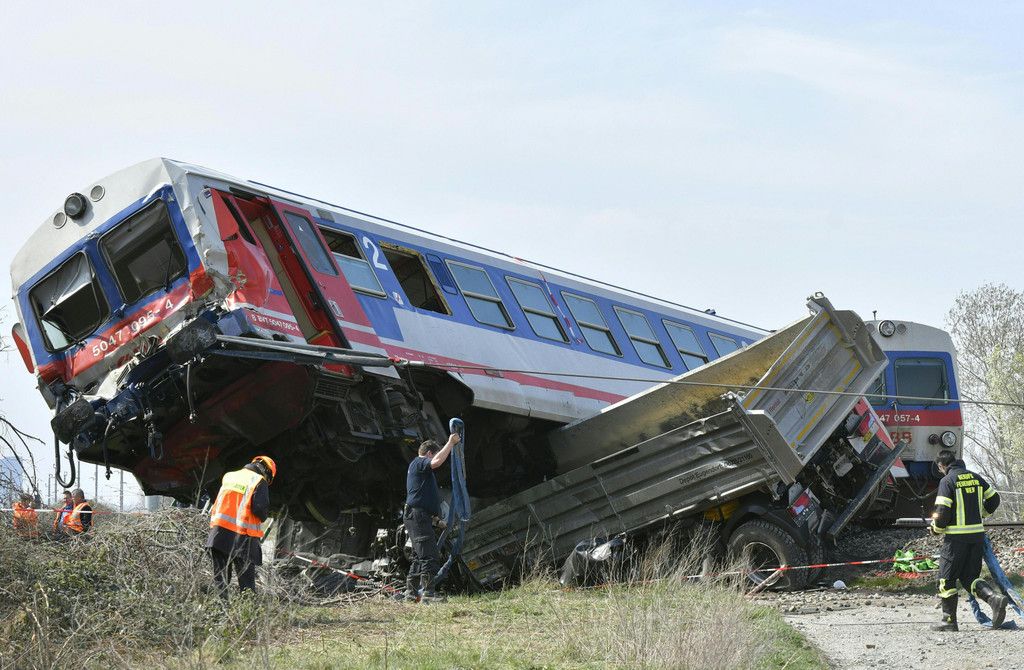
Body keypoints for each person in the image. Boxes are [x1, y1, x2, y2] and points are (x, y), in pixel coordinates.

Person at [930, 450, 1007, 631]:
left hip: (956, 539)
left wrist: (936, 528)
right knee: (969, 578)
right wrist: (982, 513)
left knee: (945, 580)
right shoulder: (976, 477)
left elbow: (942, 511)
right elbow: (994, 499)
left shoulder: (947, 481)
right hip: (976, 537)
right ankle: (994, 599)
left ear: (941, 466)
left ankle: (949, 621)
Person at [206, 455, 275, 599]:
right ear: (266, 472)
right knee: (247, 586)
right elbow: (260, 509)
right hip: (242, 539)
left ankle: (220, 610)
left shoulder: (229, 476)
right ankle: (246, 611)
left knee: (221, 583)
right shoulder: (258, 481)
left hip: (218, 535)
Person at [403, 432, 460, 602]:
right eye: (434, 454)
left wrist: (436, 520)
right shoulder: (420, 462)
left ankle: (411, 593)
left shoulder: (419, 470)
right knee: (429, 554)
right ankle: (428, 594)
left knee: (419, 555)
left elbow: (421, 498)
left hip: (417, 515)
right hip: (417, 515)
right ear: (429, 453)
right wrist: (450, 443)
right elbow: (436, 462)